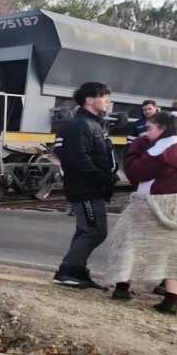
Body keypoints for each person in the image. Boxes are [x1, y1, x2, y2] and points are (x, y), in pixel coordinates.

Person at [106, 112, 177, 314]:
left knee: (130, 243)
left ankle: (122, 288)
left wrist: (136, 147)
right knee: (174, 253)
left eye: (150, 128)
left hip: (150, 205)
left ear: (162, 128)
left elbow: (135, 173)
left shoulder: (160, 150)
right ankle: (171, 300)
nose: (146, 133)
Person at [53, 82, 117, 289]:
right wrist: (103, 178)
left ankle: (78, 271)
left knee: (85, 230)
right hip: (86, 189)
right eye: (103, 96)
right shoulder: (80, 124)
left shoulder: (94, 123)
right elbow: (77, 160)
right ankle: (67, 272)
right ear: (89, 100)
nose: (107, 100)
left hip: (91, 188)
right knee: (95, 231)